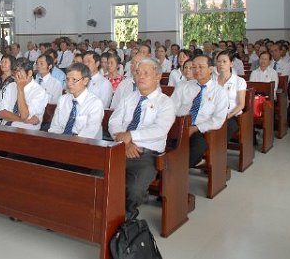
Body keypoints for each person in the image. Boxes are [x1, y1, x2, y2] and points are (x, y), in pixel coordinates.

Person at [108, 58, 175, 219]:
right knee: (98, 174)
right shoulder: (129, 98)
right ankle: (103, 214)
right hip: (120, 148)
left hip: (147, 154)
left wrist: (131, 135)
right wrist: (125, 143)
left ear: (157, 77)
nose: (140, 77)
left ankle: (126, 217)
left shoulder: (165, 102)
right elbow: (114, 122)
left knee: (134, 189)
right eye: (138, 73)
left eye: (146, 73)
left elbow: (160, 129)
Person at [171, 55, 228, 167]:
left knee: (196, 149)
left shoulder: (219, 92)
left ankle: (175, 170)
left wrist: (195, 128)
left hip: (200, 130)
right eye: (194, 67)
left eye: (200, 67)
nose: (196, 70)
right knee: (161, 147)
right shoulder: (183, 86)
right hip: (178, 125)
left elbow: (218, 120)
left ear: (211, 69)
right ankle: (166, 169)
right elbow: (171, 107)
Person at [48, 63, 103, 139]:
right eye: (67, 79)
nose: (69, 83)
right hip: (62, 140)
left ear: (85, 81)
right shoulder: (62, 100)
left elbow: (89, 133)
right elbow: (55, 127)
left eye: (74, 80)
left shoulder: (95, 103)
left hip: (85, 143)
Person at [0, 58, 47, 130]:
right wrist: (24, 120)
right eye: (14, 74)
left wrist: (20, 89)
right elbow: (1, 113)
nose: (15, 77)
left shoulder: (39, 92)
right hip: (5, 128)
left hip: (25, 132)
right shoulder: (11, 86)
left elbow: (24, 115)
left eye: (19, 74)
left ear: (29, 73)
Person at [215, 50, 247, 143]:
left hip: (232, 115)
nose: (221, 64)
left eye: (224, 61)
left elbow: (241, 105)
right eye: (219, 61)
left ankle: (217, 147)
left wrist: (227, 116)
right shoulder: (213, 80)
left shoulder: (239, 81)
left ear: (231, 64)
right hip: (215, 113)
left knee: (228, 126)